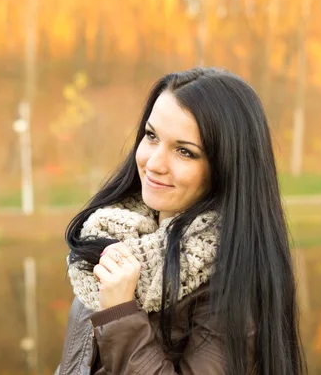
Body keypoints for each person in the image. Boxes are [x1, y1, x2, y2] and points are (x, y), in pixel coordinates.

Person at [55, 68, 306, 375]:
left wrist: (121, 314)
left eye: (184, 152)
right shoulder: (114, 237)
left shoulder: (230, 277)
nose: (154, 163)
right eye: (151, 136)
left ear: (226, 166)